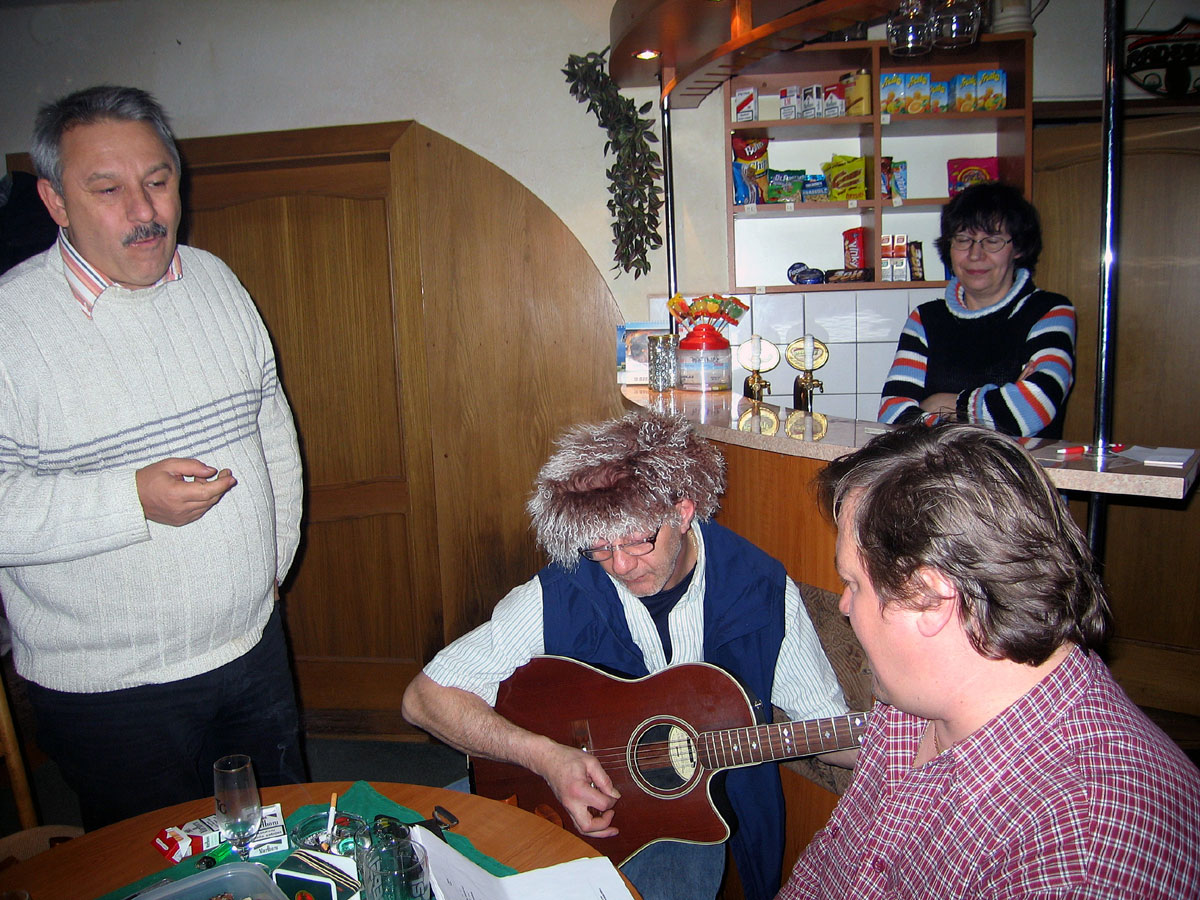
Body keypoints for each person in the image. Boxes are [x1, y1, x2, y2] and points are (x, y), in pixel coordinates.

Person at [0, 85, 305, 829]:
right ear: (55, 200)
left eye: (158, 181)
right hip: (112, 691)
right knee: (159, 870)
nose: (145, 211)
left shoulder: (216, 281)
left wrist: (273, 561)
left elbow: (272, 427)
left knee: (285, 847)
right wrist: (128, 501)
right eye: (107, 190)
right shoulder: (11, 325)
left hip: (251, 648)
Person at [403, 409, 852, 900]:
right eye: (599, 546)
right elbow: (424, 698)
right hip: (549, 799)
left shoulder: (760, 588)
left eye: (638, 540)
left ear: (683, 511)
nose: (619, 564)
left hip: (684, 822)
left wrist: (899, 737)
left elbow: (826, 727)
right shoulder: (562, 591)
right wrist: (546, 758)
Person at [777, 422, 1200, 899]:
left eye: (853, 584)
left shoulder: (1078, 857)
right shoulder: (916, 702)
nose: (844, 606)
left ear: (930, 597)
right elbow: (831, 869)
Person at [878, 181, 1075, 438]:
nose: (975, 254)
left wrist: (939, 405)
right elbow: (892, 417)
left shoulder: (1050, 311)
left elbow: (1032, 408)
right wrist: (999, 404)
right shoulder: (925, 319)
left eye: (992, 241)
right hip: (938, 464)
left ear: (1018, 248)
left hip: (1016, 465)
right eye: (963, 240)